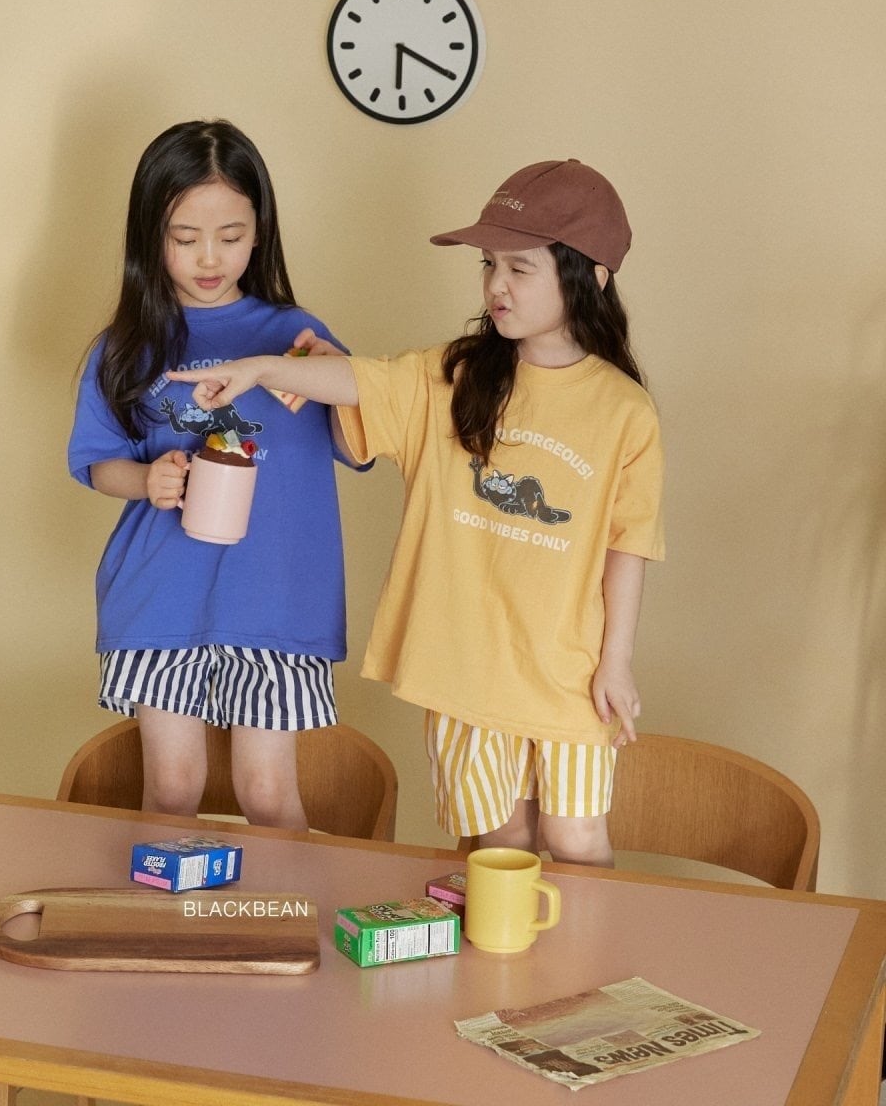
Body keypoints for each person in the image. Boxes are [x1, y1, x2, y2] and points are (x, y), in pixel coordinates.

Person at [166, 159, 665, 866]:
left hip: (569, 671)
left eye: (520, 268)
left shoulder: (624, 411)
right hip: (465, 668)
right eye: (489, 265)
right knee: (503, 845)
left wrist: (616, 663)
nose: (495, 285)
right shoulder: (453, 375)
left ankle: (588, 948)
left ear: (593, 276)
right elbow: (360, 380)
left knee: (576, 840)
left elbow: (628, 545)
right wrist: (261, 368)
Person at [67, 119, 364, 831]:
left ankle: (282, 909)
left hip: (279, 601)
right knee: (172, 790)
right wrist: (147, 481)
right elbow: (98, 462)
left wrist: (334, 374)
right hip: (159, 600)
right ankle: (161, 910)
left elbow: (361, 446)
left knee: (268, 793)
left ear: (259, 233)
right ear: (150, 236)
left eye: (230, 237)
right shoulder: (125, 347)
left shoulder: (296, 337)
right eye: (184, 237)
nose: (208, 258)